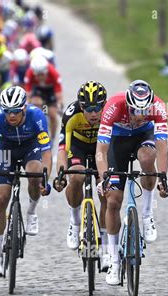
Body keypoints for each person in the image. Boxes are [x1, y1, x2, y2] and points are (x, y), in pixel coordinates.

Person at [95, 79, 168, 285]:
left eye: (143, 111)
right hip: (117, 141)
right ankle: (113, 261)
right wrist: (104, 177)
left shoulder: (158, 106)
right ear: (127, 104)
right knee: (112, 201)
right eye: (134, 111)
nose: (139, 116)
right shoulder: (113, 106)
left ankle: (147, 215)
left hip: (142, 137)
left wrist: (162, 176)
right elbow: (101, 151)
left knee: (148, 158)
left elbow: (162, 146)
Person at [0, 86, 52, 276]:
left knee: (35, 174)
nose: (11, 116)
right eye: (7, 111)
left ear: (23, 108)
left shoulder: (36, 116)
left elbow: (46, 151)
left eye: (15, 111)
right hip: (5, 150)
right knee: (1, 197)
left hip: (31, 148)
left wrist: (45, 177)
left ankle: (31, 211)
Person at [53, 81, 110, 270]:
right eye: (88, 108)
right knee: (76, 177)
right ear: (81, 106)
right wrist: (61, 174)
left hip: (100, 148)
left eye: (97, 108)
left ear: (104, 105)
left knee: (106, 191)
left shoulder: (109, 114)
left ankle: (105, 242)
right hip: (77, 146)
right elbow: (62, 149)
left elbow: (116, 146)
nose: (94, 113)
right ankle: (75, 220)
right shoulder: (71, 114)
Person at [24, 55, 63, 143]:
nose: (40, 77)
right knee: (36, 103)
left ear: (46, 71)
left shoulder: (53, 72)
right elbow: (28, 94)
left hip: (50, 91)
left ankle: (52, 138)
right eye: (37, 75)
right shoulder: (29, 73)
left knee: (53, 114)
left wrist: (60, 105)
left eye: (42, 74)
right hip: (38, 90)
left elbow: (58, 94)